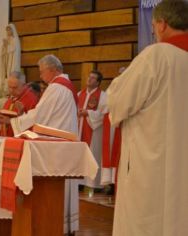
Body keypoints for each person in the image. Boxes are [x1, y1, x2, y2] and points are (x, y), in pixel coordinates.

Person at [106, 1, 188, 235]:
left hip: (152, 164)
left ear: (162, 24)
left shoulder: (156, 56)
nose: (152, 32)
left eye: (153, 26)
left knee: (146, 221)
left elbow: (119, 100)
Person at [0, 55, 79, 234]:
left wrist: (14, 122)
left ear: (53, 69)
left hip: (54, 144)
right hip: (63, 140)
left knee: (52, 185)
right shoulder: (66, 86)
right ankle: (63, 224)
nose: (41, 76)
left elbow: (39, 114)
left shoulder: (56, 88)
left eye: (42, 72)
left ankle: (51, 222)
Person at [77, 70, 106, 190]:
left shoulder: (103, 96)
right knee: (79, 155)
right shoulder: (79, 94)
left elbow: (103, 114)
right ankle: (79, 183)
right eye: (89, 77)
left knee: (92, 154)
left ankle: (93, 183)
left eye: (93, 78)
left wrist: (88, 113)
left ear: (98, 82)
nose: (89, 79)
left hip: (93, 131)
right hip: (79, 129)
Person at [0, 71, 38, 137]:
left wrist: (15, 118)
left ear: (24, 85)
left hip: (21, 140)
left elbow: (32, 123)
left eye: (14, 87)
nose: (11, 90)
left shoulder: (31, 100)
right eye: (9, 87)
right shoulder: (11, 98)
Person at [0, 24, 21, 98]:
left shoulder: (15, 40)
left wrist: (7, 45)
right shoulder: (7, 40)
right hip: (8, 61)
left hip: (12, 60)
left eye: (9, 29)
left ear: (12, 30)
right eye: (7, 30)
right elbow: (3, 53)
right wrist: (4, 45)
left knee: (11, 72)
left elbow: (13, 50)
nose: (8, 31)